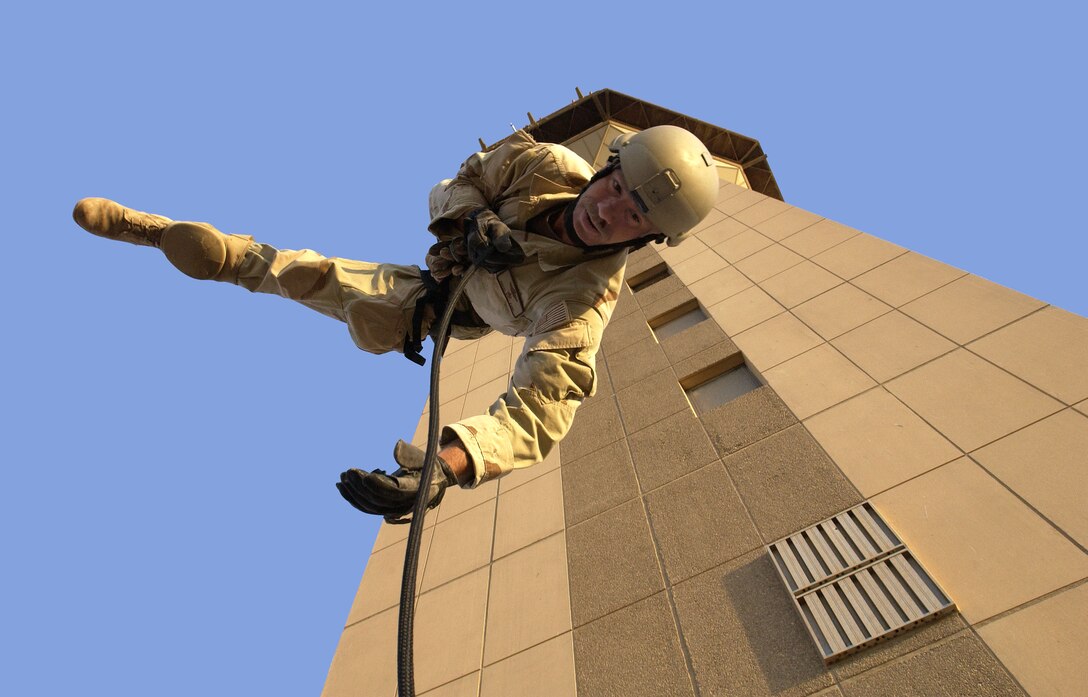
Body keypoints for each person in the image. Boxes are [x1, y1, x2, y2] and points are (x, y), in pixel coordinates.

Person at [73, 125, 719, 522]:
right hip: (445, 273)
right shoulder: (542, 165)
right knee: (321, 277)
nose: (611, 213)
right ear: (606, 166)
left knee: (381, 316)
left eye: (636, 215)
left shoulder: (585, 300)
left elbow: (541, 408)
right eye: (618, 189)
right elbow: (450, 184)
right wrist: (470, 219)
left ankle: (378, 313)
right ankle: (190, 243)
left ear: (653, 236)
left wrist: (446, 464)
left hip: (458, 312)